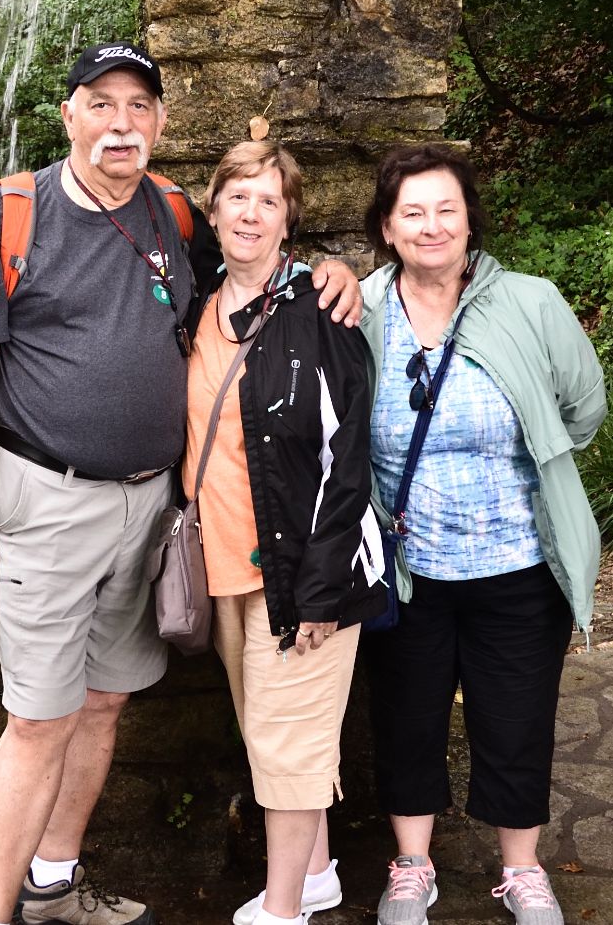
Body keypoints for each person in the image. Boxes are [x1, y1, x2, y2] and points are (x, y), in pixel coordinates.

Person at [0, 43, 362, 925]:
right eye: (100, 103)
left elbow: (258, 261)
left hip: (152, 511)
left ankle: (53, 882)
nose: (120, 122)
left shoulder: (172, 213)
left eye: (139, 106)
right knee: (39, 717)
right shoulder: (14, 214)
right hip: (45, 500)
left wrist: (332, 270)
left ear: (160, 125)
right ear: (69, 116)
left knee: (103, 701)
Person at [356, 144, 606, 925]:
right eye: (412, 213)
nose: (431, 226)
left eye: (446, 210)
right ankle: (411, 866)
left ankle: (522, 869)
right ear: (387, 228)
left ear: (470, 221)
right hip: (408, 565)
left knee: (517, 715)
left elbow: (583, 406)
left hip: (518, 561)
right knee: (406, 716)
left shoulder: (529, 301)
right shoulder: (359, 309)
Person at [179, 142, 385, 925]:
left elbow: (349, 457)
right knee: (274, 744)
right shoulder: (197, 300)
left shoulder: (320, 314)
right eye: (237, 197)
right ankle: (321, 869)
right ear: (214, 209)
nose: (250, 213)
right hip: (225, 567)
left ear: (287, 220)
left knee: (290, 751)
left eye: (268, 201)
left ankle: (284, 908)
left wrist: (322, 587)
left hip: (301, 574)